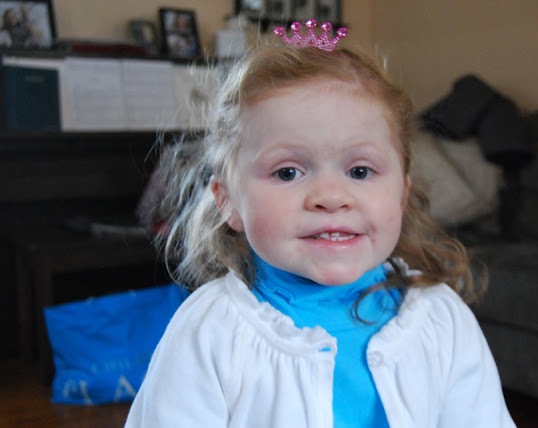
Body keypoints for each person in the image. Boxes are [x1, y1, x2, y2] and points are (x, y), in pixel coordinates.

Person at [125, 20, 516, 427]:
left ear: (402, 195)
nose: (330, 196)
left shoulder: (442, 319)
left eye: (360, 171)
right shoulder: (208, 333)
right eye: (288, 172)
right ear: (228, 202)